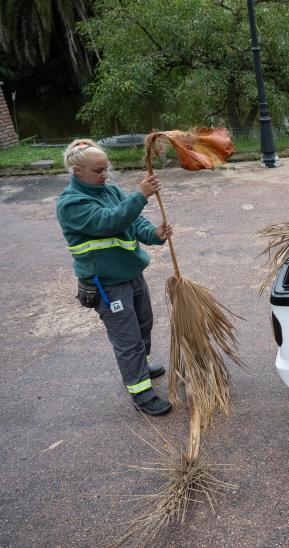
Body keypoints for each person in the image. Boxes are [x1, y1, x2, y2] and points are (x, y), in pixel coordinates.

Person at [56, 139, 174, 416]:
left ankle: (141, 369)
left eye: (106, 169)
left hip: (131, 274)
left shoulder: (110, 191)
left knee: (144, 324)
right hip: (107, 283)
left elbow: (134, 222)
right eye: (98, 170)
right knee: (127, 337)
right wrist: (140, 195)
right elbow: (110, 221)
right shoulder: (71, 204)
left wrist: (154, 235)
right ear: (77, 171)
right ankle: (140, 391)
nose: (105, 175)